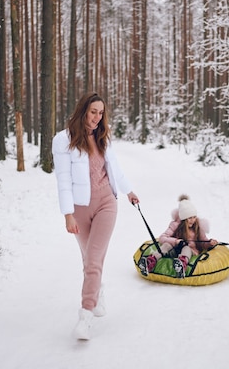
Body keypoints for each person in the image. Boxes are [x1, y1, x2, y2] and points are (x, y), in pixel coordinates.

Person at [52, 93, 139, 341]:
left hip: (106, 203)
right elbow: (63, 181)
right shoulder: (63, 141)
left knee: (93, 259)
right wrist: (68, 214)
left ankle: (85, 316)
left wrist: (129, 191)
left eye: (101, 113)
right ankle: (98, 291)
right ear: (83, 110)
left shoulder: (102, 137)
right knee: (89, 258)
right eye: (93, 112)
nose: (97, 118)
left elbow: (115, 169)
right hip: (80, 209)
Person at [138, 195, 217, 278]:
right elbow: (162, 238)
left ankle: (181, 266)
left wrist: (210, 243)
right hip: (175, 251)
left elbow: (203, 242)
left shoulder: (197, 226)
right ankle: (149, 263)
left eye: (194, 217)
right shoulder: (175, 225)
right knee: (166, 245)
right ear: (183, 218)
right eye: (189, 218)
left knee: (186, 248)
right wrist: (176, 241)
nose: (193, 220)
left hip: (190, 252)